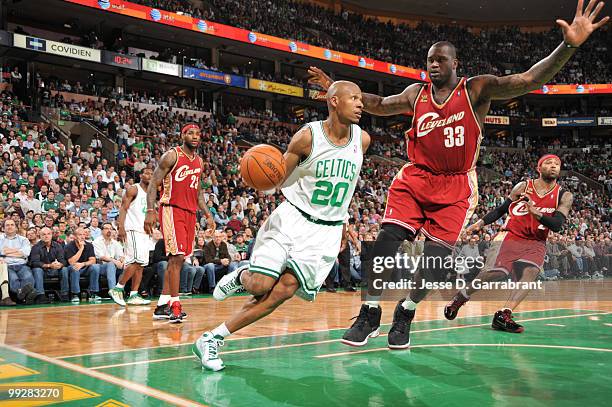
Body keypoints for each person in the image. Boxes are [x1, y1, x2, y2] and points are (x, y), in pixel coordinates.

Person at [308, 0, 608, 349]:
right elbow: (378, 104)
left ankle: (405, 311)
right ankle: (369, 310)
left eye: (440, 60)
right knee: (386, 240)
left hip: (456, 184)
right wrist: (338, 91)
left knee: (435, 261)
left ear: (455, 63)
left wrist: (569, 45)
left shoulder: (477, 89)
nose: (433, 65)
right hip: (416, 178)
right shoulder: (415, 94)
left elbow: (528, 79)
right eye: (429, 61)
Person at [193, 80, 370, 371]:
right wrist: (257, 171)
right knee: (261, 284)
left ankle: (212, 338)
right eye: (354, 98)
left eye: (361, 98)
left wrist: (344, 223)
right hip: (292, 218)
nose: (361, 104)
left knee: (284, 290)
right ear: (334, 101)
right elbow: (275, 179)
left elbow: (347, 187)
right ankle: (243, 277)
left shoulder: (362, 140)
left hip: (324, 232)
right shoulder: (307, 137)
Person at [445, 155, 573, 332]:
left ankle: (504, 314)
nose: (553, 166)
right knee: (496, 272)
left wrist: (536, 213)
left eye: (557, 164)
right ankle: (461, 297)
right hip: (511, 236)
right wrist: (479, 223)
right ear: (539, 168)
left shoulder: (564, 195)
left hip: (537, 240)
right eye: (549, 163)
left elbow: (557, 225)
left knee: (531, 273)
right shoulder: (523, 186)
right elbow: (500, 210)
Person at [144, 123, 215, 323]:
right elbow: (153, 183)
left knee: (179, 260)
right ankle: (175, 305)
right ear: (182, 135)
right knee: (175, 258)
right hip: (171, 209)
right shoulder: (172, 155)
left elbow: (198, 191)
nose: (195, 136)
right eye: (190, 133)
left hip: (190, 212)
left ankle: (161, 306)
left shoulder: (199, 161)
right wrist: (150, 210)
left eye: (198, 133)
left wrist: (208, 214)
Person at [109, 166, 154, 306]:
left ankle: (134, 294)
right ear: (141, 175)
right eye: (147, 173)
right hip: (133, 229)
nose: (150, 175)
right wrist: (121, 227)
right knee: (134, 262)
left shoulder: (151, 193)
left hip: (144, 232)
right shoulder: (133, 189)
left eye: (152, 173)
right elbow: (123, 208)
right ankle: (118, 288)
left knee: (140, 264)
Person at [29, 227, 70, 302]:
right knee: (37, 270)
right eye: (43, 234)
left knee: (64, 269)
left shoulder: (58, 246)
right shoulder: (36, 247)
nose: (46, 236)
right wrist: (49, 265)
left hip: (55, 270)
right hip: (43, 271)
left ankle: (65, 294)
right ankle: (40, 295)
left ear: (51, 235)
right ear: (40, 236)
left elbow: (63, 261)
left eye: (48, 234)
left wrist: (59, 265)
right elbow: (34, 263)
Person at [65, 227, 101, 303]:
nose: (82, 237)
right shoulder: (69, 246)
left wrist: (83, 264)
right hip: (72, 268)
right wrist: (81, 248)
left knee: (95, 267)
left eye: (84, 234)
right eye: (80, 235)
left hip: (85, 268)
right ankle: (75, 294)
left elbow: (93, 260)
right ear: (75, 236)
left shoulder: (89, 245)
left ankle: (93, 293)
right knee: (74, 268)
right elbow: (71, 262)